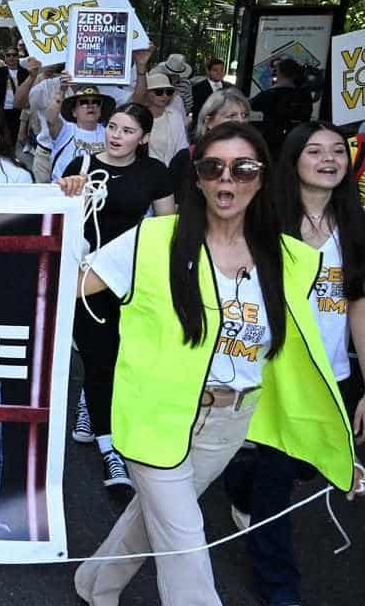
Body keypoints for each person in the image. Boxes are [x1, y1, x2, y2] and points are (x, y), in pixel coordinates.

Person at [70, 122, 360, 606]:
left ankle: (94, 584)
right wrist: (67, 212)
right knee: (186, 542)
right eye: (213, 167)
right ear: (198, 178)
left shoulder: (289, 259)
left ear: (263, 177)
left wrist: (338, 437)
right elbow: (68, 284)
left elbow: (307, 353)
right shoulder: (152, 240)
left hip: (229, 421)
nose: (228, 180)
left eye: (243, 168)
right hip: (155, 414)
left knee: (155, 519)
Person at [222, 122, 365, 606]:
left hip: (332, 375)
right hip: (275, 376)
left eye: (337, 151)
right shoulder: (267, 220)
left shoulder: (355, 223)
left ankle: (238, 478)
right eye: (315, 151)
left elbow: (359, 304)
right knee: (277, 479)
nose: (329, 159)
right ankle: (278, 585)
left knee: (305, 465)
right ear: (293, 161)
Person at [56, 103, 176, 494]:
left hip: (131, 280)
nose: (116, 135)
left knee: (122, 358)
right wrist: (71, 193)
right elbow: (59, 220)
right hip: (88, 279)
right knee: (98, 357)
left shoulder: (155, 172)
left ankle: (91, 405)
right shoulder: (81, 163)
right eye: (112, 127)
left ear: (143, 137)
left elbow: (165, 229)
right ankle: (111, 449)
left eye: (127, 130)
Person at [168, 88, 251, 204]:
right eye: (231, 116)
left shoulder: (252, 160)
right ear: (208, 121)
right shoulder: (186, 158)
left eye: (244, 115)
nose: (240, 121)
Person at [44, 83, 116, 182]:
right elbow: (50, 119)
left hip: (97, 191)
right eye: (83, 102)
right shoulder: (66, 130)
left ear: (101, 110)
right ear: (74, 112)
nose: (90, 106)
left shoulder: (110, 134)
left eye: (96, 102)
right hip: (63, 190)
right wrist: (61, 91)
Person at [250, 58, 313, 158]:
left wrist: (273, 87)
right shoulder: (305, 95)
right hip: (298, 139)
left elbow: (252, 104)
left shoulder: (270, 94)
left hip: (272, 142)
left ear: (278, 73)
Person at [0, 39, 31, 150]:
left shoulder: (26, 73)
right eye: (8, 55)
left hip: (19, 111)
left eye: (14, 55)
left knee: (14, 137)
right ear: (5, 58)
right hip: (1, 110)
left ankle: (11, 158)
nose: (11, 58)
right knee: (0, 136)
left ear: (18, 57)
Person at [139, 71, 189, 166]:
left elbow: (182, 147)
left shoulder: (175, 116)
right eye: (159, 92)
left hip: (171, 172)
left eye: (169, 92)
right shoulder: (139, 117)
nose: (164, 96)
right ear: (148, 93)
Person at [192, 58, 227, 127]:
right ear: (208, 71)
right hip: (203, 126)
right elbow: (197, 111)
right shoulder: (198, 88)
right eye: (215, 70)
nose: (219, 73)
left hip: (224, 127)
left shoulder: (229, 87)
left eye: (222, 70)